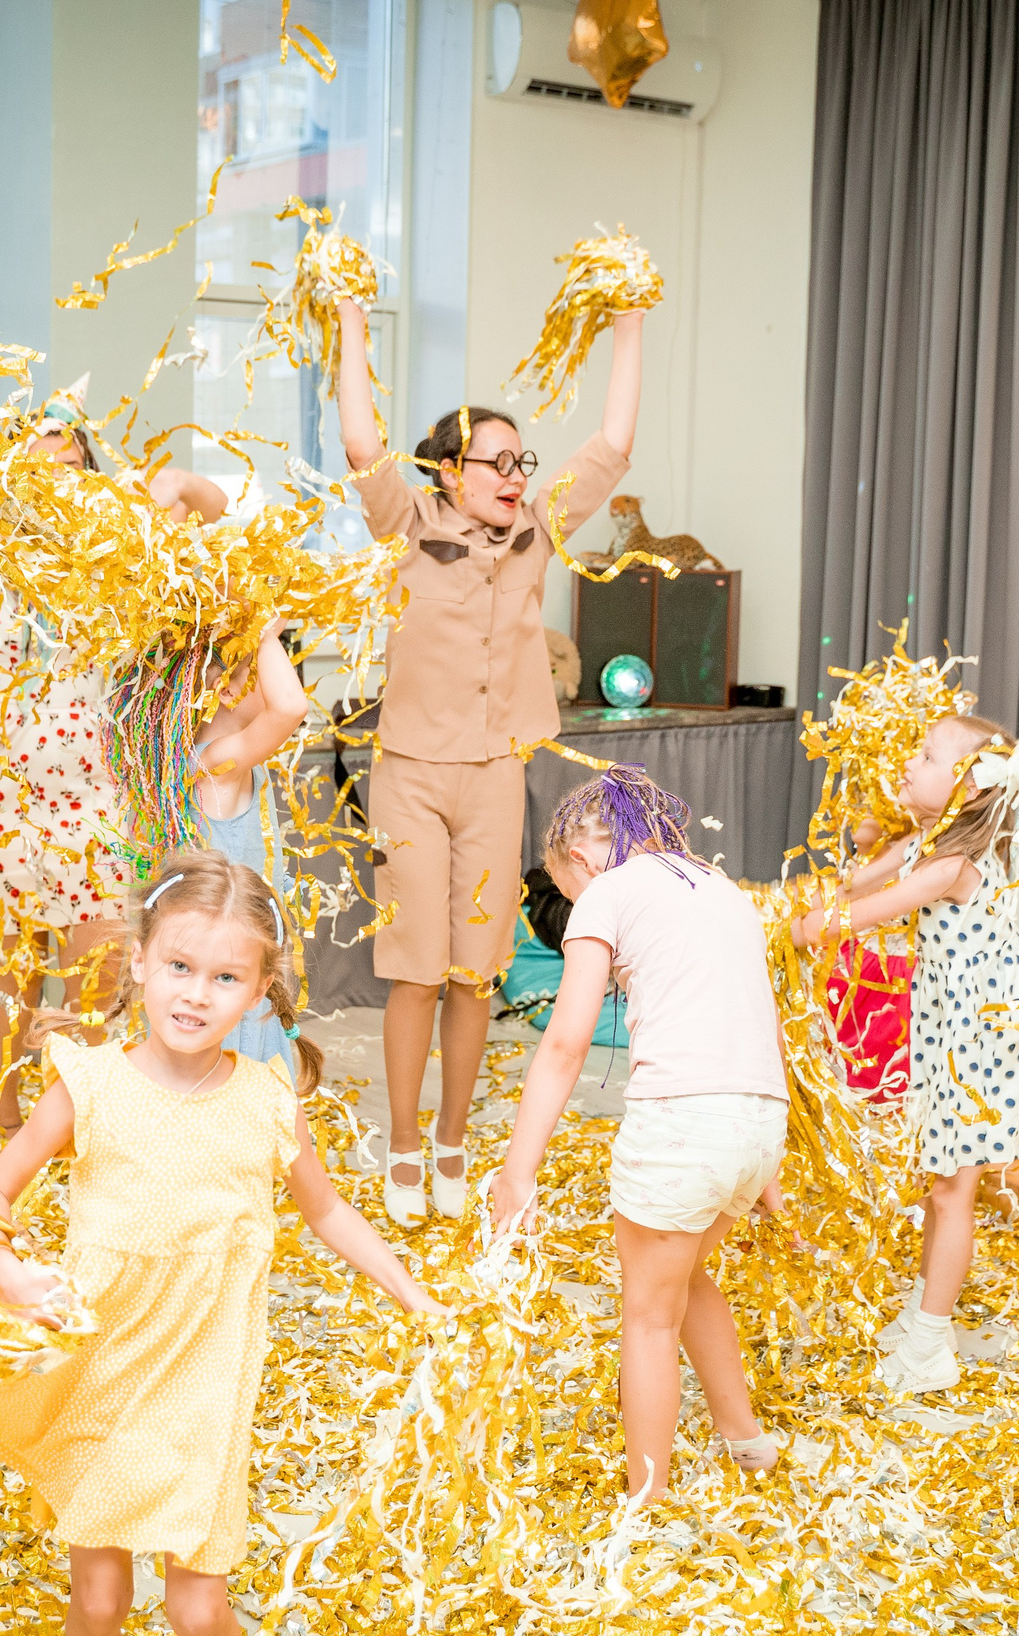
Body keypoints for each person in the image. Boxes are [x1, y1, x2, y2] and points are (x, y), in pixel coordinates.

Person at [0, 849, 447, 1636]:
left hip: (204, 1386)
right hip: (98, 1373)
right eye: (179, 966)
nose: (194, 993)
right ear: (139, 959)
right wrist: (8, 1270)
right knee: (100, 1599)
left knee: (199, 1609)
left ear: (258, 992)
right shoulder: (90, 1082)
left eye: (224, 977)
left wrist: (408, 1288)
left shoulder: (265, 1099)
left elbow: (327, 1210)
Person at [334, 296, 645, 1224]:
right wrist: (351, 320)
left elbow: (615, 443)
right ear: (448, 469)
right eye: (495, 462)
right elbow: (361, 441)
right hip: (411, 775)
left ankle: (454, 1140)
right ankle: (400, 1140)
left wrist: (628, 319)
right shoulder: (404, 523)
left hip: (495, 776)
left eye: (522, 462)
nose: (514, 476)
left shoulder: (538, 532)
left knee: (476, 971)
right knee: (417, 969)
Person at [0, 389, 231, 1134]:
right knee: (10, 971)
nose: (57, 481)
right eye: (38, 471)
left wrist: (177, 484)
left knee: (98, 970)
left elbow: (217, 515)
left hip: (94, 795)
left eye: (71, 464)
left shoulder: (121, 561)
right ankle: (5, 1130)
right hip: (0, 798)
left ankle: (88, 1125)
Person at [487, 767, 787, 1499]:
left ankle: (645, 1497)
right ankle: (746, 1440)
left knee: (649, 1317)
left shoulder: (611, 893)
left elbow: (565, 1043)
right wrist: (767, 1175)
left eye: (571, 887)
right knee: (685, 1275)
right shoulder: (719, 886)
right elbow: (754, 1023)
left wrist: (516, 1172)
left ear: (585, 859)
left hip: (684, 1126)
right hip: (759, 1125)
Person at [793, 715, 1019, 1395]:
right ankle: (922, 1314)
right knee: (940, 1183)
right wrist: (866, 844)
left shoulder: (952, 864)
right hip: (950, 1032)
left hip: (987, 1036)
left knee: (953, 1188)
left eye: (927, 754)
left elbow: (861, 914)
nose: (910, 760)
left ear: (967, 787)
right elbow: (854, 885)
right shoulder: (927, 843)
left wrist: (782, 931)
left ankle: (931, 1346)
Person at [188, 616, 310, 1071]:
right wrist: (260, 629)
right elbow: (290, 707)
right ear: (224, 690)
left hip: (244, 969)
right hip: (224, 975)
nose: (286, 678)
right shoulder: (215, 762)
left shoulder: (219, 758)